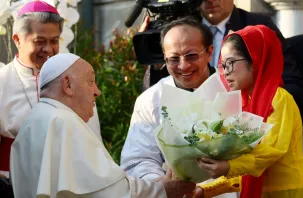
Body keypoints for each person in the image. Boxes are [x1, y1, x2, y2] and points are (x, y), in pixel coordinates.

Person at [142, 0, 303, 167]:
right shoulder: (182, 27)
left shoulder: (257, 25)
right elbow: (159, 92)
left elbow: (290, 81)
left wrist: (253, 115)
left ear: (209, 51)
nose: (210, 1)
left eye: (192, 55)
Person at [10, 53, 196, 198]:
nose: (97, 92)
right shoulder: (62, 121)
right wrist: (162, 191)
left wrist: (156, 186)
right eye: (91, 81)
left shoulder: (34, 121)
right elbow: (110, 192)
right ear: (67, 84)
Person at [121, 17, 237, 198]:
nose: (183, 66)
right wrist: (163, 185)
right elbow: (139, 160)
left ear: (210, 52)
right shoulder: (151, 100)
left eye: (191, 56)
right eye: (173, 59)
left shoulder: (235, 90)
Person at [196, 25, 303, 198]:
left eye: (231, 63)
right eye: (223, 65)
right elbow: (246, 169)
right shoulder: (242, 104)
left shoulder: (279, 97)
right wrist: (206, 190)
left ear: (255, 59)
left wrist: (228, 166)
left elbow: (271, 151)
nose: (226, 72)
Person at [0, 0, 101, 181]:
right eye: (40, 41)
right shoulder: (2, 81)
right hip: (12, 183)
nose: (48, 49)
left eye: (54, 41)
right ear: (17, 40)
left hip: (67, 182)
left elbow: (92, 140)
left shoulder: (75, 80)